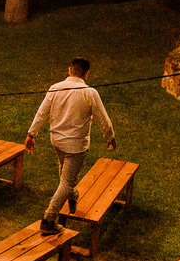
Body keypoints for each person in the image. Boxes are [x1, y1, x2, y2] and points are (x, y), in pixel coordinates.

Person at [25, 56, 116, 235]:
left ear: (69, 70)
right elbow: (102, 118)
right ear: (87, 74)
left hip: (57, 142)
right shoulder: (90, 93)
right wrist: (110, 136)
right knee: (66, 182)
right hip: (76, 145)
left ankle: (72, 196)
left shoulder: (55, 89)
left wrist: (31, 134)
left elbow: (41, 113)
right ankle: (49, 219)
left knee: (65, 174)